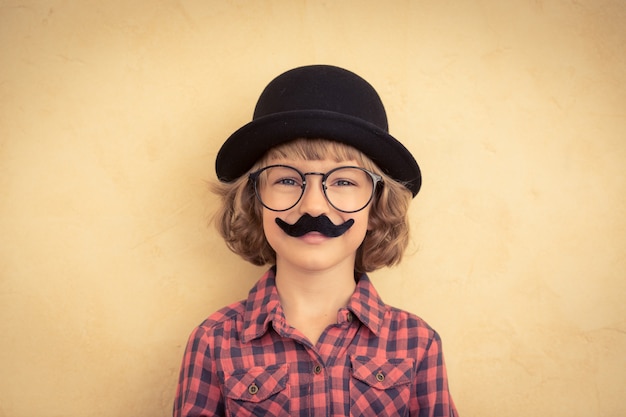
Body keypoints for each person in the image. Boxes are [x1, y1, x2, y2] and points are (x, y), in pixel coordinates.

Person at [173, 65, 458, 417]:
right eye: (287, 181)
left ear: (377, 204)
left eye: (344, 182)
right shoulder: (213, 342)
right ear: (253, 200)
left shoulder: (417, 343)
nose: (313, 206)